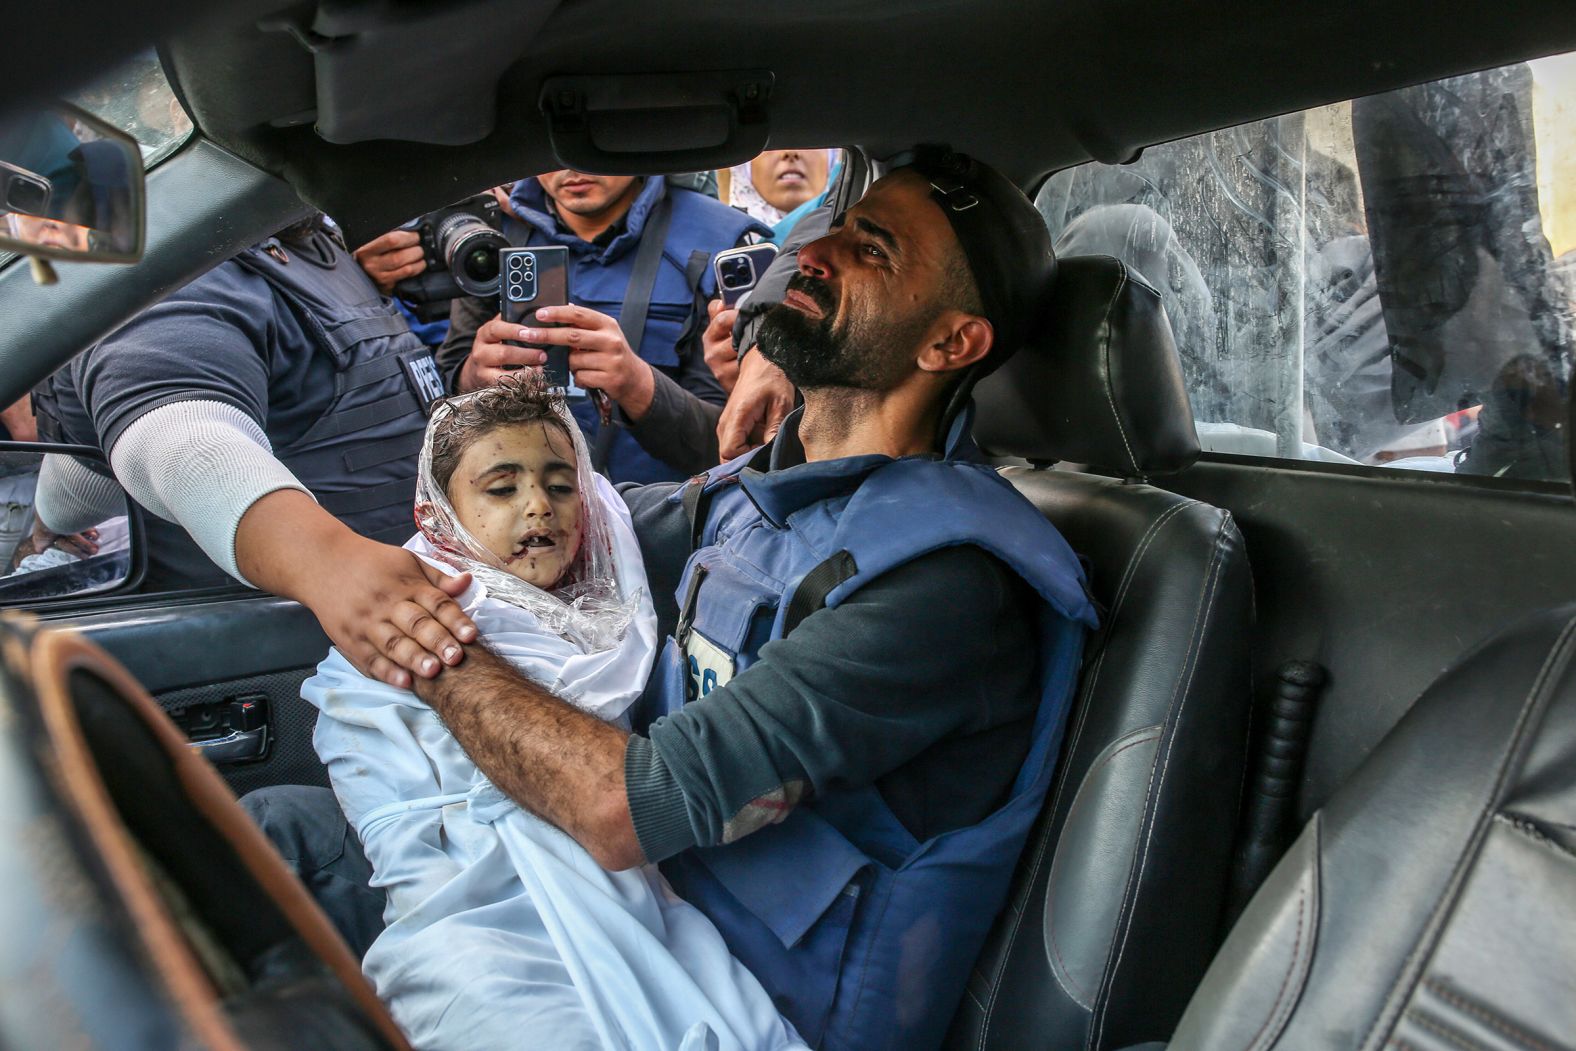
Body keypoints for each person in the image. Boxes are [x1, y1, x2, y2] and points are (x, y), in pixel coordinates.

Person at [248, 147, 1099, 1051]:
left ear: (950, 343)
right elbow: (536, 553)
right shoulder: (762, 487)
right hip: (655, 896)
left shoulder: (941, 583)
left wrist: (430, 646)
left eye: (872, 250)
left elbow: (624, 808)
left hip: (744, 984)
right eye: (836, 226)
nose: (815, 253)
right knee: (263, 835)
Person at [305, 375, 804, 1050]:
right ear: (436, 518)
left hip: (626, 891)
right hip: (468, 911)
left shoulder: (614, 611)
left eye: (561, 485)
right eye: (502, 488)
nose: (539, 507)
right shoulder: (406, 623)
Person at [32, 214, 477, 689]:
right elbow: (178, 438)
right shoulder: (180, 266)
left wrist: (467, 387)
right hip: (313, 657)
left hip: (410, 629)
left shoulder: (312, 245)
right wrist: (335, 567)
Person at [435, 171, 770, 483]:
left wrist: (638, 385)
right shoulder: (487, 237)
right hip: (525, 522)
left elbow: (737, 445)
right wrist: (473, 378)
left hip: (673, 521)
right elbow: (444, 388)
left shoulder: (721, 244)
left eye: (589, 136)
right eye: (554, 142)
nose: (572, 166)